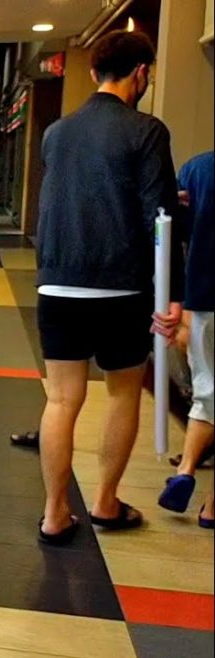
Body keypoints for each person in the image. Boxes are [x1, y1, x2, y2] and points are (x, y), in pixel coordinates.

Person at [33, 31, 185, 545]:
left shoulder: (56, 132)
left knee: (61, 401)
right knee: (122, 396)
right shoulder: (146, 131)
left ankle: (54, 514)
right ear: (141, 72)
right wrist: (173, 296)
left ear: (96, 72)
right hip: (123, 288)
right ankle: (103, 503)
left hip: (58, 285)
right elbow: (159, 220)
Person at [158, 150, 214, 529]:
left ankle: (188, 468)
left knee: (207, 391)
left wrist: (176, 300)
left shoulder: (197, 169)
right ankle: (212, 507)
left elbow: (170, 227)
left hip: (205, 293)